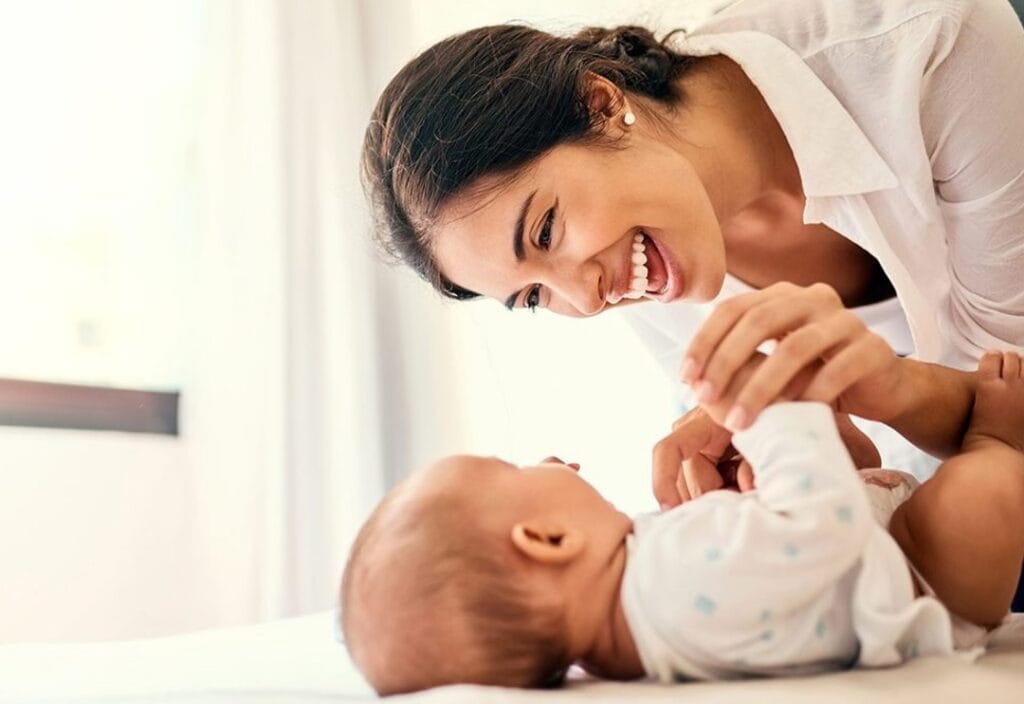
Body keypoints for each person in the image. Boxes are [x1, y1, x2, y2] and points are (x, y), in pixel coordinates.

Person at [361, 0, 1024, 604]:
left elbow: (1010, 401)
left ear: (600, 103)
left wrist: (893, 393)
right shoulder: (649, 260)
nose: (587, 297)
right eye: (534, 296)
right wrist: (796, 471)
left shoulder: (932, 44)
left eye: (545, 231)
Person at [340, 351, 1024, 694]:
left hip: (862, 552)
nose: (546, 461)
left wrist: (742, 507)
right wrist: (770, 412)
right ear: (548, 540)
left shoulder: (632, 631)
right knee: (982, 495)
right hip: (918, 575)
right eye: (515, 470)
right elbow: (823, 532)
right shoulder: (664, 582)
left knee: (846, 470)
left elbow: (762, 573)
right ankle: (1000, 441)